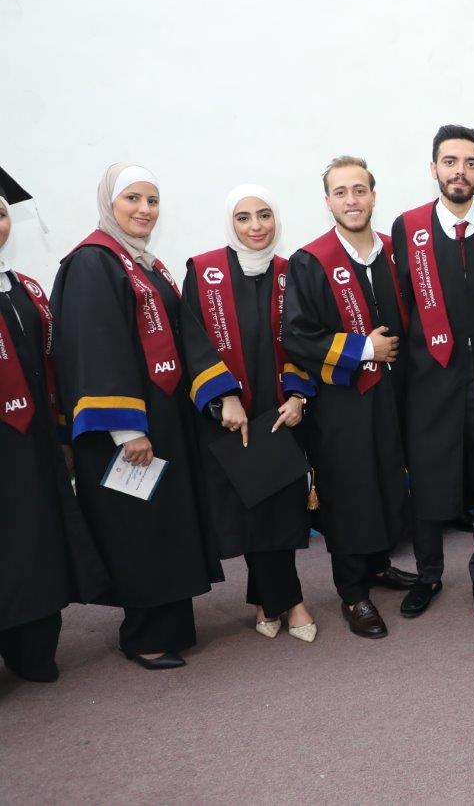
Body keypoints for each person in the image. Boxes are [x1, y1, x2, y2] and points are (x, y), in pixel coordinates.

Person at [51, 163, 227, 669]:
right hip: (127, 431)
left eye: (152, 200)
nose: (144, 209)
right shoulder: (92, 262)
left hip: (163, 419)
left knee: (164, 524)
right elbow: (95, 349)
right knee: (139, 530)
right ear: (109, 202)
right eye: (132, 198)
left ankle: (171, 627)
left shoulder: (144, 263)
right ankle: (143, 636)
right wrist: (128, 429)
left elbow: (181, 332)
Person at [391, 125, 474, 620]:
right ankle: (428, 574)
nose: (460, 172)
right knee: (430, 475)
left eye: (470, 163)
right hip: (430, 374)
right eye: (450, 162)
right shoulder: (409, 227)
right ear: (434, 169)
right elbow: (402, 303)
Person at [283, 156, 416, 640]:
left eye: (359, 190)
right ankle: (353, 591)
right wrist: (364, 349)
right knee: (349, 489)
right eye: (341, 192)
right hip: (341, 399)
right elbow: (297, 335)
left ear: (373, 195)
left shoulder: (393, 254)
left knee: (386, 477)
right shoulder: (310, 261)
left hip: (391, 395)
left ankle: (378, 564)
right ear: (328, 201)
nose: (352, 200)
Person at [183, 185, 318, 643]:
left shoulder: (291, 272)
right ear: (230, 223)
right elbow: (193, 341)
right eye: (243, 218)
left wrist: (298, 396)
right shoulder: (204, 273)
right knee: (254, 510)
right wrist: (224, 396)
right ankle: (292, 601)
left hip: (281, 411)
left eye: (264, 215)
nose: (256, 226)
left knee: (282, 509)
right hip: (233, 415)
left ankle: (268, 600)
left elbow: (303, 339)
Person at [0, 167, 108, 682]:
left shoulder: (25, 288)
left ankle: (33, 649)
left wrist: (62, 432)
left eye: (1, 213)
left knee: (39, 538)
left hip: (35, 439)